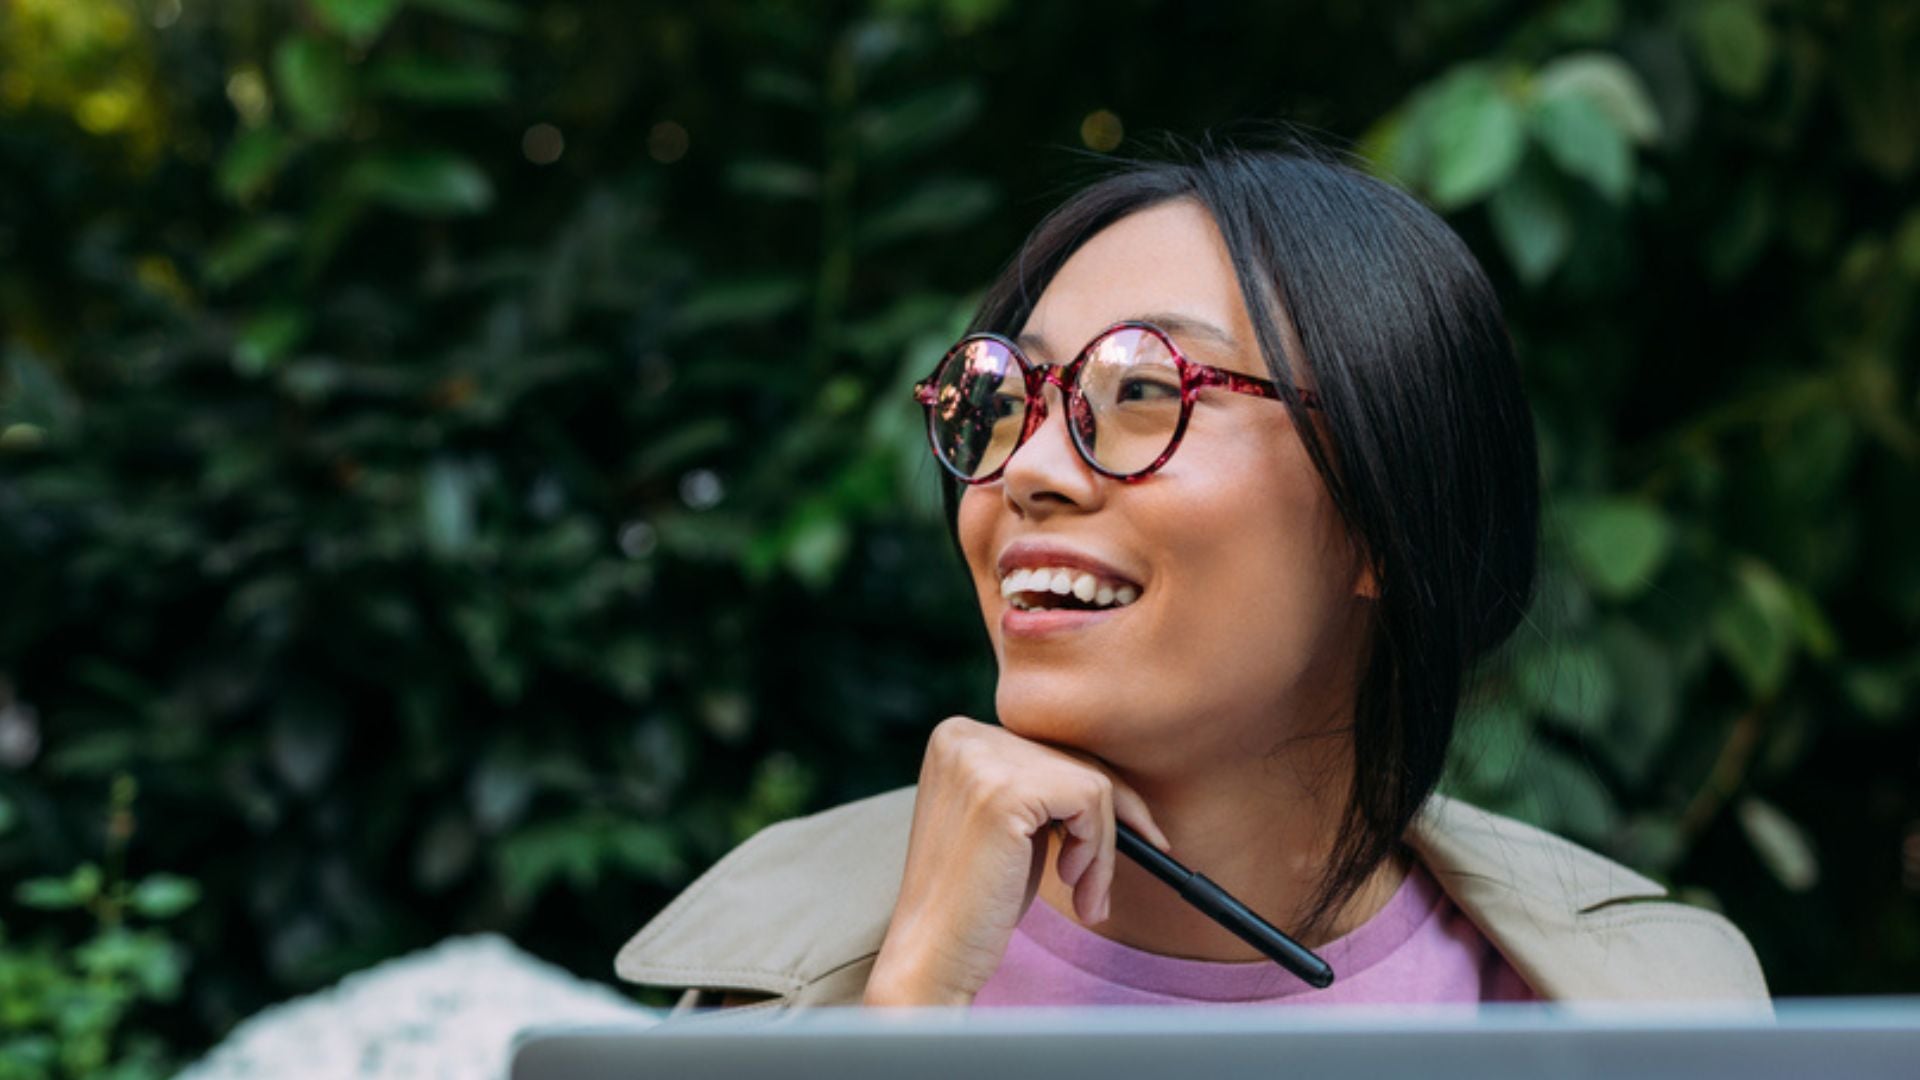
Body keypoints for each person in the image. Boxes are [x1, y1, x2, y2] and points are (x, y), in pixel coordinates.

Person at [613, 140, 1769, 1012]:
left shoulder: (1628, 1013)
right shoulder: (783, 971)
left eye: (1144, 391)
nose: (1028, 471)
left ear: (1387, 510)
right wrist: (910, 1006)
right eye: (1007, 394)